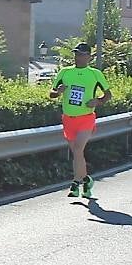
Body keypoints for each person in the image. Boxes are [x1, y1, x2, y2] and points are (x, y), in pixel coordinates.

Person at [49, 42, 112, 200]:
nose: (78, 57)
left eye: (82, 54)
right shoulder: (64, 72)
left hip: (86, 118)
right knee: (78, 154)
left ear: (89, 57)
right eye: (76, 54)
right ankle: (86, 181)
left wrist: (97, 102)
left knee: (77, 150)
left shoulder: (95, 74)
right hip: (68, 119)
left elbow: (108, 94)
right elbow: (51, 93)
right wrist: (58, 92)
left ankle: (75, 184)